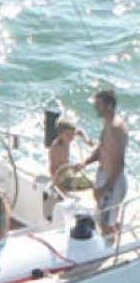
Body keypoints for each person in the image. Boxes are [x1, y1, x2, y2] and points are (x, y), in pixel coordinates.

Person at [78, 88, 129, 238]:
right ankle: (111, 238)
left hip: (111, 182)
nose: (95, 107)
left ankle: (112, 253)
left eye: (98, 104)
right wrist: (85, 163)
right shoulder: (107, 123)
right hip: (103, 177)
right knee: (102, 219)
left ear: (109, 106)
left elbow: (119, 164)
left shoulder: (116, 128)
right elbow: (102, 149)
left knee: (105, 224)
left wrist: (104, 188)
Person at [48, 115, 93, 192]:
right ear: (60, 134)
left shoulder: (67, 137)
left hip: (68, 171)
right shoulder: (55, 148)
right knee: (89, 186)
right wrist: (60, 189)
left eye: (72, 134)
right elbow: (52, 170)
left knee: (91, 183)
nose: (71, 137)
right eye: (68, 135)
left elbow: (79, 131)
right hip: (60, 177)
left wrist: (87, 140)